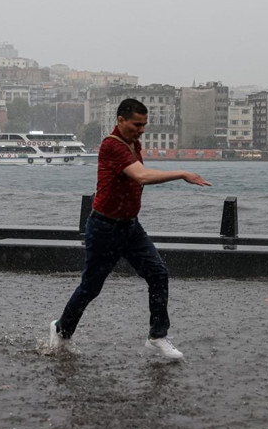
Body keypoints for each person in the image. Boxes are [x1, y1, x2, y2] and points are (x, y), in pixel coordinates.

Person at [49, 98, 212, 359]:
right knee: (91, 288)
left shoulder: (134, 144)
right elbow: (142, 176)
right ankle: (61, 330)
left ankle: (157, 336)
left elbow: (136, 181)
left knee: (158, 274)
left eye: (144, 125)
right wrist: (182, 173)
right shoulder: (111, 145)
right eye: (137, 124)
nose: (141, 130)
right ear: (120, 120)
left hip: (130, 228)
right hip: (104, 228)